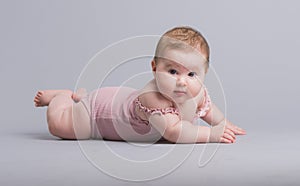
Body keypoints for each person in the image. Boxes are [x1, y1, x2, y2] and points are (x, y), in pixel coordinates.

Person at [34, 26, 246, 143]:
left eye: (192, 74)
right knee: (60, 127)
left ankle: (80, 96)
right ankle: (62, 97)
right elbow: (174, 132)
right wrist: (211, 134)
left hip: (119, 97)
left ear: (204, 73)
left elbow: (207, 109)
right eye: (172, 71)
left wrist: (223, 124)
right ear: (154, 67)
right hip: (95, 114)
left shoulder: (196, 92)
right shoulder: (153, 98)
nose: (182, 81)